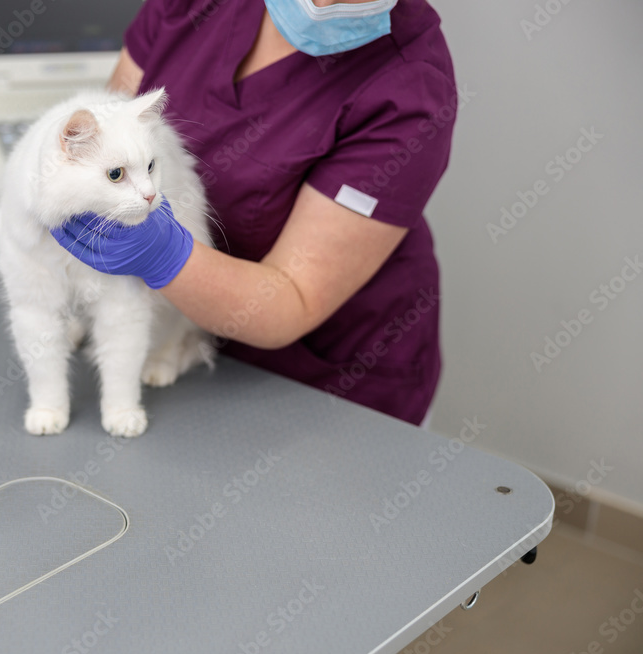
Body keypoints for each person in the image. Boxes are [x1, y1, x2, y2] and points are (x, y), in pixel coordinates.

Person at [51, 0, 457, 426]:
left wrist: (162, 255)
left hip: (325, 381)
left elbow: (294, 295)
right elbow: (109, 124)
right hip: (178, 341)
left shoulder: (410, 88)